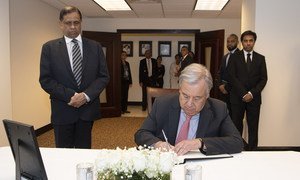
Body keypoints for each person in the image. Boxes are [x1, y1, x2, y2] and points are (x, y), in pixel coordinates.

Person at [39, 6, 110, 149]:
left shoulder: (95, 47)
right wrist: (72, 96)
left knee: (84, 152)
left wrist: (85, 96)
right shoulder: (49, 48)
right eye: (68, 23)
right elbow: (46, 80)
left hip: (87, 110)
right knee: (63, 153)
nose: (72, 27)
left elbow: (103, 77)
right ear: (60, 24)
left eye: (76, 22)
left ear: (81, 23)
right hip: (63, 109)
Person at [135, 63, 243, 155]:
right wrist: (158, 144)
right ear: (180, 90)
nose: (189, 104)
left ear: (207, 95)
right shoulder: (162, 104)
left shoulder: (219, 109)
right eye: (185, 96)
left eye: (197, 98)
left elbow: (237, 142)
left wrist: (200, 143)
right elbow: (141, 134)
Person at [227, 30, 268, 151]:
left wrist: (251, 93)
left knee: (253, 127)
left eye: (251, 41)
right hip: (237, 98)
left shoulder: (261, 58)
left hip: (254, 99)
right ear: (242, 42)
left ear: (254, 42)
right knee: (236, 126)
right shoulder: (234, 57)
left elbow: (264, 79)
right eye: (246, 41)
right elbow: (231, 77)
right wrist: (244, 93)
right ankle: (236, 149)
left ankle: (253, 151)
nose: (248, 43)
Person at [217, 34, 240, 118]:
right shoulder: (225, 57)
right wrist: (220, 85)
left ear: (237, 42)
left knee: (234, 117)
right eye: (228, 41)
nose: (229, 43)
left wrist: (226, 87)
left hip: (234, 92)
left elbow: (238, 76)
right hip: (222, 91)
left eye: (232, 41)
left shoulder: (240, 56)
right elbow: (220, 72)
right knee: (224, 114)